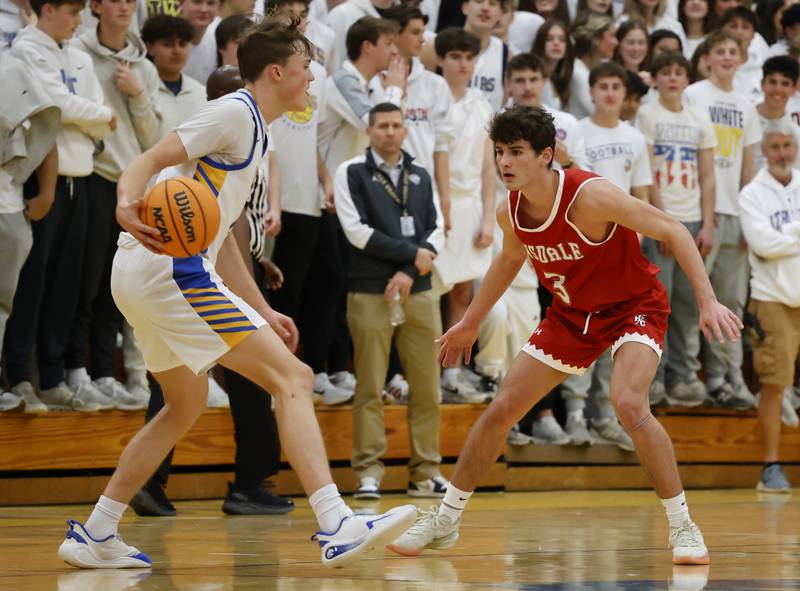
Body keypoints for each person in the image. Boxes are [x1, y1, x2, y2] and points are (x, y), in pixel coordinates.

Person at [56, 17, 416, 570]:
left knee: (186, 403)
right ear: (277, 72)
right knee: (293, 378)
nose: (312, 81)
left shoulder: (257, 127)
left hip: (150, 272)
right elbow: (149, 160)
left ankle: (98, 531)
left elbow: (220, 234)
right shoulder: (232, 112)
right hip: (169, 271)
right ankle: (337, 520)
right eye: (305, 70)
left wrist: (262, 308)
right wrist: (126, 202)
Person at [387, 105, 742, 565]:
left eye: (516, 152)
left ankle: (682, 525)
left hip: (632, 306)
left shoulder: (591, 196)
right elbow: (510, 260)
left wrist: (709, 299)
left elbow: (672, 227)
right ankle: (446, 518)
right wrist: (471, 320)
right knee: (501, 409)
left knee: (630, 403)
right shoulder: (509, 210)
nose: (505, 163)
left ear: (546, 155)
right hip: (572, 316)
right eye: (499, 152)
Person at [131, 65, 294, 518]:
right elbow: (225, 228)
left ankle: (118, 508)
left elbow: (231, 224)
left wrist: (261, 266)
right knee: (278, 379)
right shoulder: (225, 130)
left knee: (184, 396)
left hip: (221, 264)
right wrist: (254, 298)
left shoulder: (255, 138)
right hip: (194, 271)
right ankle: (284, 495)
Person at [4, 0, 120, 412]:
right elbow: (54, 108)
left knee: (68, 286)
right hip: (42, 180)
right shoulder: (24, 50)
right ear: (48, 8)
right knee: (31, 284)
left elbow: (92, 111)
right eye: (72, 12)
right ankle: (20, 377)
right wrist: (95, 115)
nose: (78, 21)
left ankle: (53, 379)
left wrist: (90, 115)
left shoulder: (78, 57)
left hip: (82, 177)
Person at [335, 102, 446, 500]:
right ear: (370, 131)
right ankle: (368, 472)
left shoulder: (421, 175)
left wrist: (409, 270)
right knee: (369, 385)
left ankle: (426, 472)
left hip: (417, 290)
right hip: (369, 291)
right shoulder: (351, 172)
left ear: (404, 130)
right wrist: (411, 257)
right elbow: (356, 232)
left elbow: (437, 231)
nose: (389, 132)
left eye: (396, 125)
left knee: (427, 386)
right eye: (382, 125)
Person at [561, 60, 652, 451]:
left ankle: (606, 416)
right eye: (603, 86)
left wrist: (642, 240)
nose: (610, 93)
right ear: (592, 91)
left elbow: (642, 195)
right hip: (585, 246)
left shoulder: (635, 137)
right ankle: (577, 415)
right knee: (583, 333)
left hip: (624, 251)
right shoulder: (575, 132)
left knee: (617, 333)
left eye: (617, 86)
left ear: (624, 93)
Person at [684, 29, 761, 408]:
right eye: (720, 51)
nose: (727, 57)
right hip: (700, 211)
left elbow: (749, 165)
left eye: (734, 51)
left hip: (735, 211)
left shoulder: (746, 104)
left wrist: (750, 217)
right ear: (708, 57)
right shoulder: (693, 94)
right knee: (693, 299)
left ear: (742, 58)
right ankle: (693, 376)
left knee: (731, 301)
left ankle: (727, 377)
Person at [636, 51, 716, 407]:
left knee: (688, 303)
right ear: (656, 78)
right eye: (665, 72)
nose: (672, 78)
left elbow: (709, 174)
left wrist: (709, 222)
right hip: (661, 219)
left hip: (694, 219)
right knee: (658, 303)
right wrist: (662, 222)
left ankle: (683, 375)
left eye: (678, 73)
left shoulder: (699, 117)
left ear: (687, 79)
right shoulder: (647, 114)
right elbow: (647, 172)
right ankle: (654, 379)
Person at [431, 28, 495, 402]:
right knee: (427, 289)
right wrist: (439, 205)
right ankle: (416, 369)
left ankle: (452, 372)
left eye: (469, 58)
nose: (462, 64)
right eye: (455, 57)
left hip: (471, 204)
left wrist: (488, 217)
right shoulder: (430, 98)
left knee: (463, 289)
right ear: (442, 60)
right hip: (436, 203)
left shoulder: (482, 106)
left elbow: (489, 169)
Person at [739, 120, 800, 493]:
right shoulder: (751, 193)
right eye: (775, 146)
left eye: (787, 146)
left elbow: (777, 241)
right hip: (773, 299)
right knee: (775, 385)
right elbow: (762, 244)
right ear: (765, 151)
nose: (782, 153)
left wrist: (787, 236)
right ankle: (771, 467)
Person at [141, 14, 207, 138]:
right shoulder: (141, 90)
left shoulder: (200, 92)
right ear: (149, 48)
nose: (177, 51)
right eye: (167, 44)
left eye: (182, 44)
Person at [755, 55, 800, 171]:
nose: (778, 90)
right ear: (762, 84)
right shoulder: (744, 121)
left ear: (794, 89)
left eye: (785, 84)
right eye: (773, 82)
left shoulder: (795, 135)